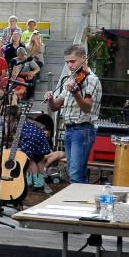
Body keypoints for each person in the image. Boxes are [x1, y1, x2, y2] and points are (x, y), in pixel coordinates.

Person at [44, 44, 101, 184]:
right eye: (67, 62)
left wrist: (75, 93)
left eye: (72, 61)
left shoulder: (91, 79)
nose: (69, 65)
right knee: (73, 172)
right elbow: (56, 106)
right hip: (70, 129)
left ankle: (79, 203)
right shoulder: (73, 79)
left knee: (76, 174)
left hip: (83, 129)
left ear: (83, 58)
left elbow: (87, 107)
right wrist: (50, 99)